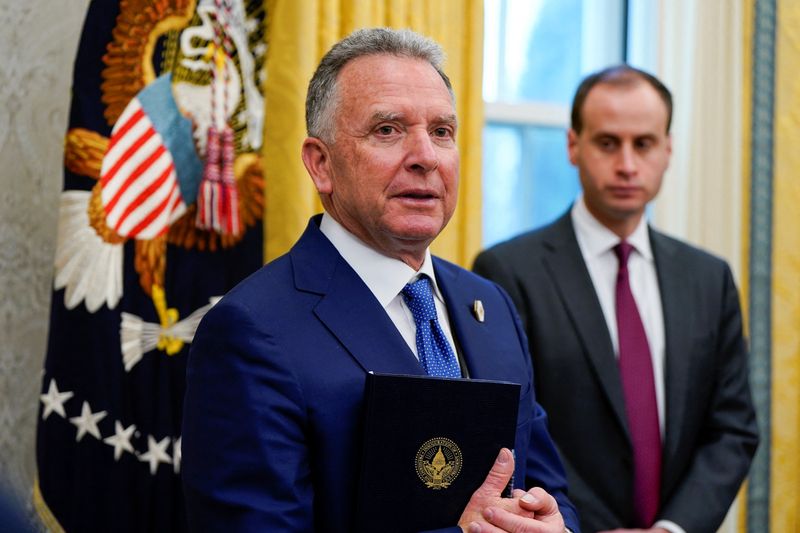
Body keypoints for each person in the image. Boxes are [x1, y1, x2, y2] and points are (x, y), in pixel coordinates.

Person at [182, 27, 580, 533]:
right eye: (388, 130)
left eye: (441, 132)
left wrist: (553, 524)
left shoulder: (490, 305)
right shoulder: (252, 330)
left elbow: (549, 486)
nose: (425, 156)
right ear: (320, 164)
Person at [473, 65, 759, 533]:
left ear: (668, 149)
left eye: (643, 144)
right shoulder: (506, 272)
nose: (627, 164)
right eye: (608, 143)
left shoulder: (710, 278)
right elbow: (512, 431)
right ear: (573, 145)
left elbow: (732, 429)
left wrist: (672, 528)